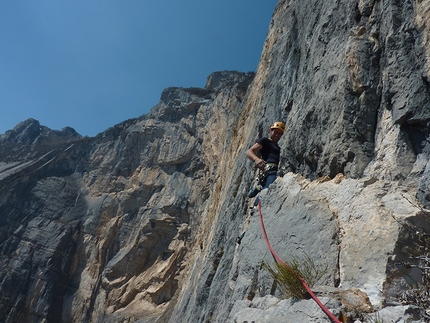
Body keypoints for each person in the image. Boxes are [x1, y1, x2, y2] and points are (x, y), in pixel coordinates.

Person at [246, 121, 285, 201]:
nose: (277, 135)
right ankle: (256, 208)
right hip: (269, 171)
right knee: (267, 191)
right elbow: (249, 152)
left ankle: (258, 188)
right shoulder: (265, 141)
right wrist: (257, 159)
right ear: (270, 131)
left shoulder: (278, 147)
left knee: (267, 190)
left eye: (279, 133)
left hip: (274, 171)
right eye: (275, 132)